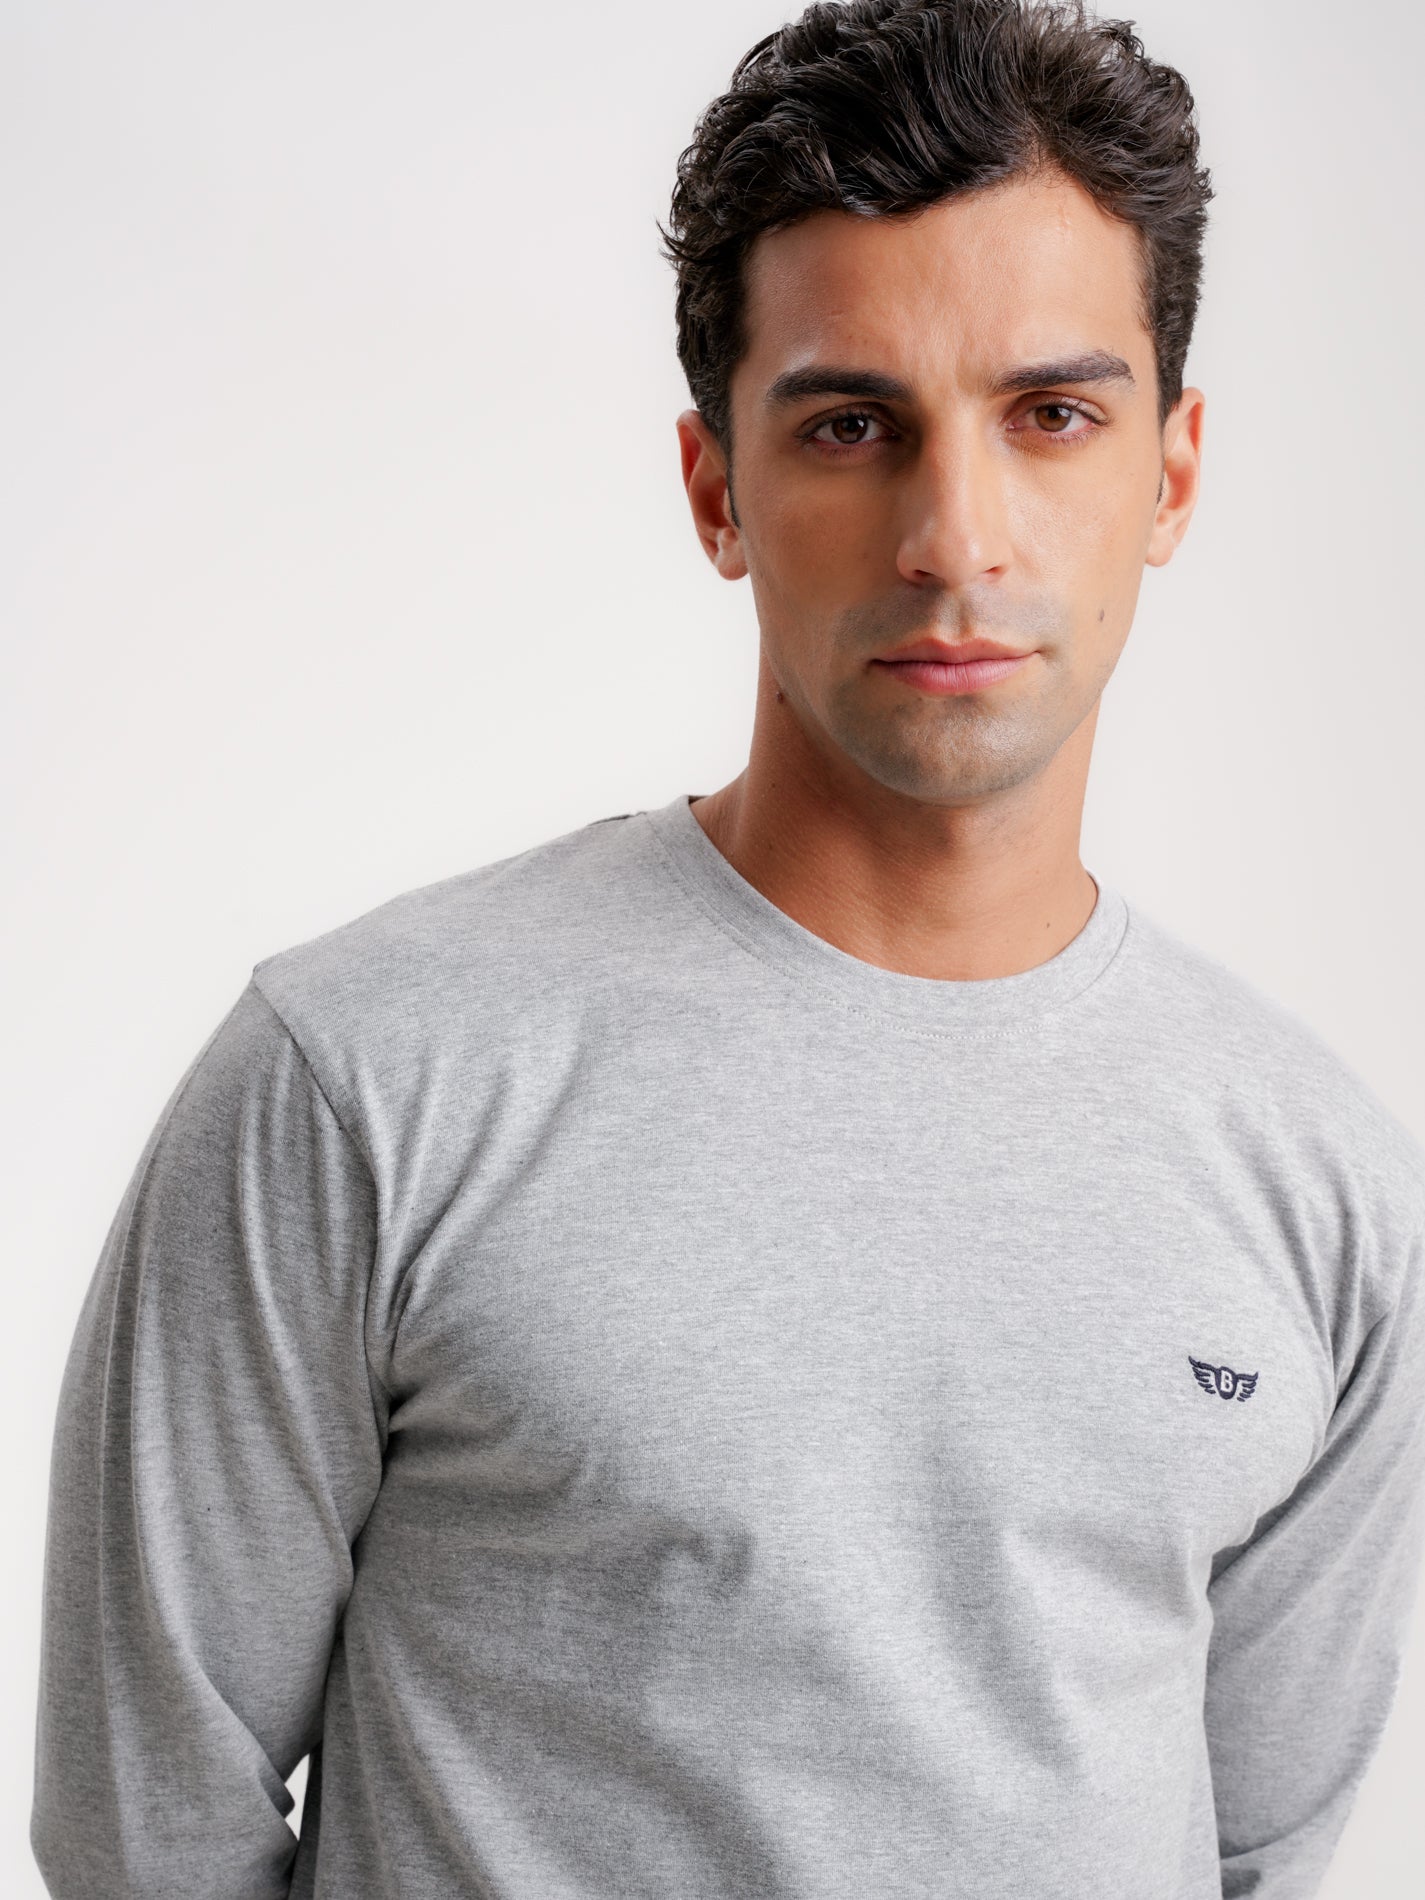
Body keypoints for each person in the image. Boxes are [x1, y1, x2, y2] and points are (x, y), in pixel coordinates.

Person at [31, 1, 1425, 1896]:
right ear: (717, 492)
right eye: (852, 425)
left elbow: (1252, 1857)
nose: (954, 537)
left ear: (1168, 475)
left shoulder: (1322, 1191)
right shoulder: (363, 1080)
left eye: (1051, 415)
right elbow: (144, 1827)